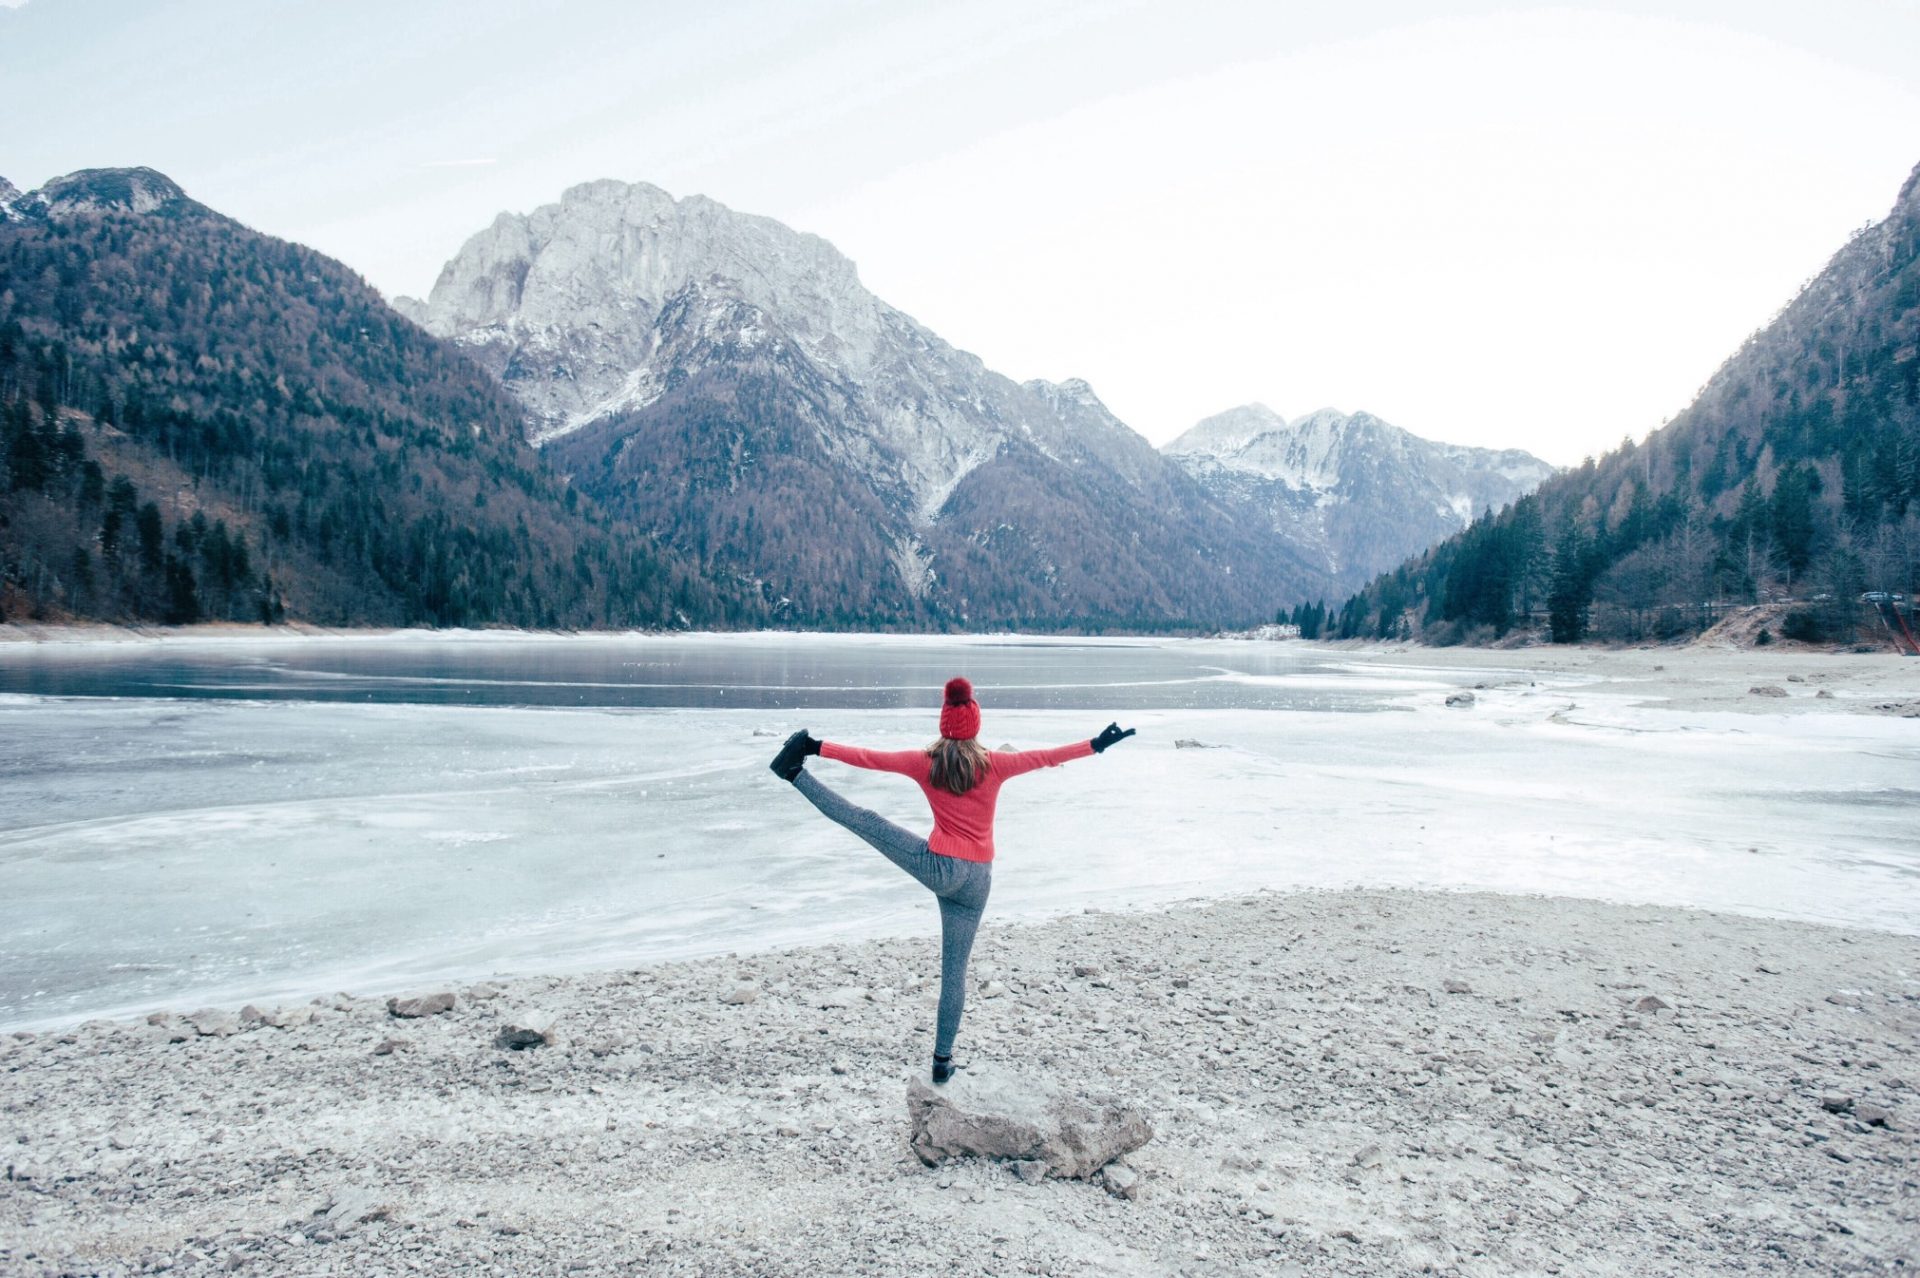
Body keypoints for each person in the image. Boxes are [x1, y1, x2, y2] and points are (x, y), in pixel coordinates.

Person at [769, 677, 1135, 1084]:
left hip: (940, 868)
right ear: (975, 724)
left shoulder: (925, 762)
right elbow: (1045, 757)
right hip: (978, 881)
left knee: (866, 821)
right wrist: (1096, 745)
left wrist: (816, 746)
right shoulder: (996, 763)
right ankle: (942, 1062)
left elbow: (869, 758)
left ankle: (793, 772)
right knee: (954, 973)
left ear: (944, 724)